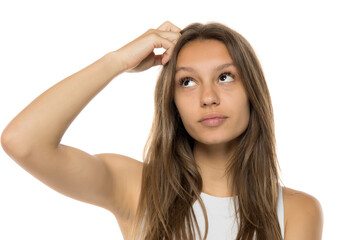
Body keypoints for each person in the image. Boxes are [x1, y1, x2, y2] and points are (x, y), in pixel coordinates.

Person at [1, 21, 323, 239]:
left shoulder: (297, 211)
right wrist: (117, 62)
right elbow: (22, 141)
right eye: (187, 81)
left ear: (253, 91)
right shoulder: (137, 189)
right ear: (173, 102)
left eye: (225, 77)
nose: (208, 98)